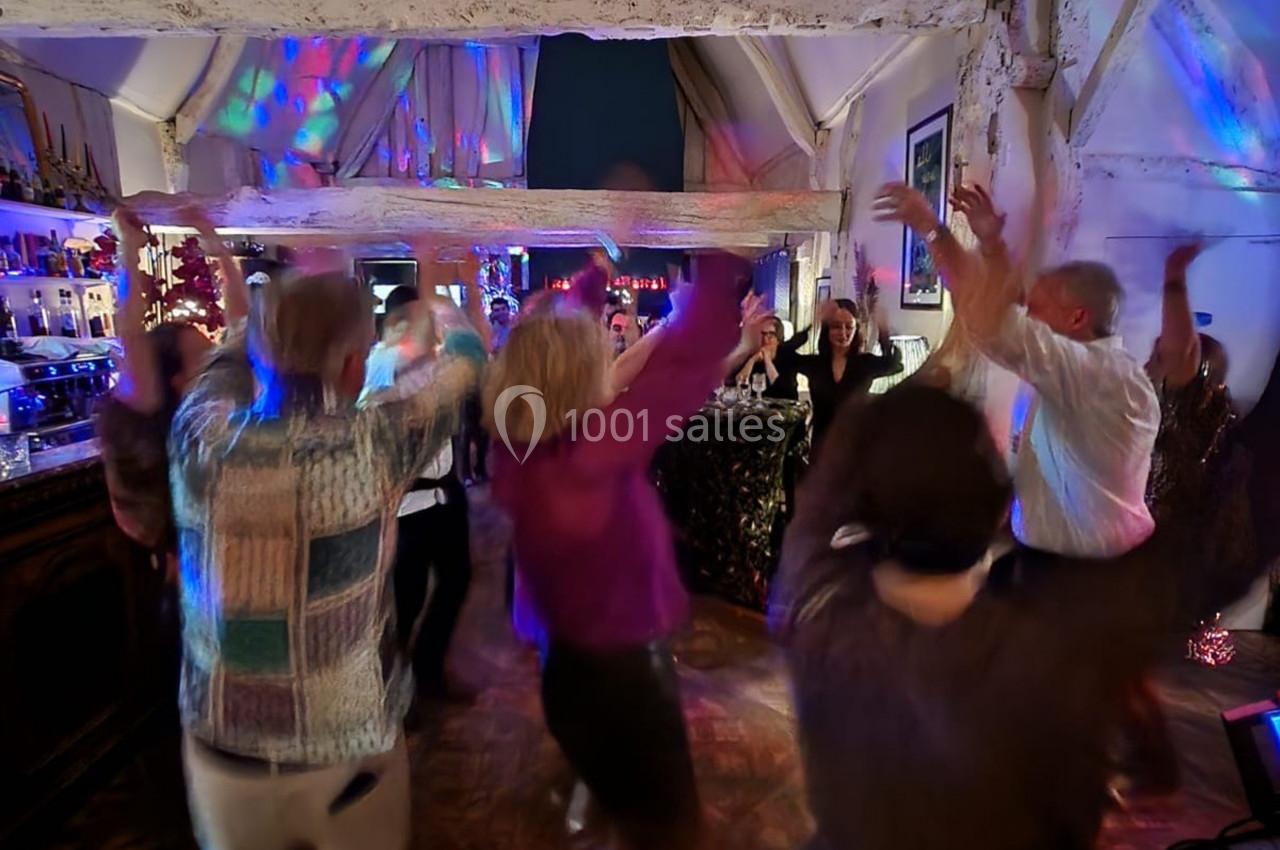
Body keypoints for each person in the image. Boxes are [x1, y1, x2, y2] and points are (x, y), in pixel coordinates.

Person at [169, 261, 485, 849]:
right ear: (350, 366)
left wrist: (272, 317)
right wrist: (446, 293)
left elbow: (223, 360)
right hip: (345, 753)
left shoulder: (196, 437)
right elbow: (467, 360)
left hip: (222, 750)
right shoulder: (372, 444)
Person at [772, 385, 1166, 850]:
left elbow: (818, 505)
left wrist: (869, 430)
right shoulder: (1052, 661)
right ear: (999, 507)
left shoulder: (818, 613)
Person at [486, 252, 754, 850]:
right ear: (580, 374)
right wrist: (717, 264)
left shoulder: (521, 444)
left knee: (622, 797)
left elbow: (551, 356)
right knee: (669, 828)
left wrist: (593, 283)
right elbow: (687, 365)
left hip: (570, 670)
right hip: (624, 681)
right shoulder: (596, 453)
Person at [873, 182, 1159, 561]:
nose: (1028, 316)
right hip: (1049, 563)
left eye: (1037, 307)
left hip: (1094, 581)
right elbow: (986, 310)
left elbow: (995, 323)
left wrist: (934, 228)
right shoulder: (1066, 374)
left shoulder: (1103, 377)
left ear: (1077, 317)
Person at [363, 265, 488, 706]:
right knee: (407, 597)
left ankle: (426, 673)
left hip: (445, 490)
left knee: (455, 582)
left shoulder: (429, 364)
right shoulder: (381, 368)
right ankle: (397, 693)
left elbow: (474, 349)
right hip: (406, 500)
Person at [98, 207, 245, 559]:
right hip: (178, 561)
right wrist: (129, 248)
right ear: (177, 380)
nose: (217, 361)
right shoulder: (148, 407)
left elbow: (241, 325)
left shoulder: (205, 406)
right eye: (206, 359)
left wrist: (216, 246)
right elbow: (131, 330)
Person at [1144, 244, 1257, 624]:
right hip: (1184, 592)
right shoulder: (1216, 420)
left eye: (1156, 357)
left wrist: (1173, 276)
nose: (1146, 366)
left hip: (1170, 591)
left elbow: (1181, 355)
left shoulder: (1193, 414)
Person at [789, 298, 902, 451]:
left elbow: (894, 364)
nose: (843, 333)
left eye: (849, 327)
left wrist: (883, 332)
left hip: (856, 445)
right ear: (827, 330)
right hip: (822, 446)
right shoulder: (816, 364)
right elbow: (784, 355)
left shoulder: (865, 364)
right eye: (836, 327)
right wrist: (812, 323)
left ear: (856, 329)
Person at [732, 315, 804, 401]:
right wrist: (752, 360)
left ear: (778, 338)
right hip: (756, 409)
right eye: (763, 334)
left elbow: (785, 391)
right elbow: (738, 383)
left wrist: (767, 361)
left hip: (783, 409)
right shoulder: (752, 354)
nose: (765, 339)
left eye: (771, 335)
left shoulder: (787, 356)